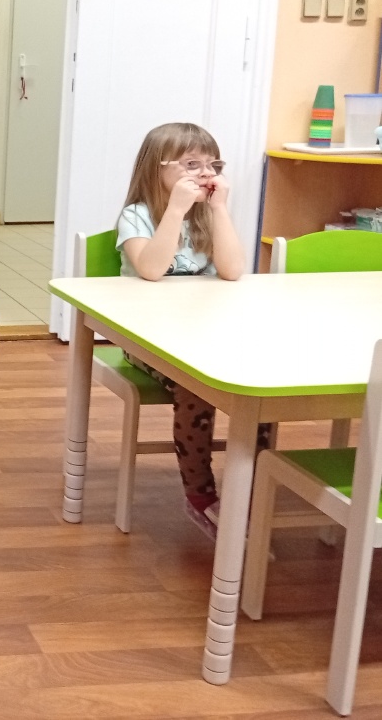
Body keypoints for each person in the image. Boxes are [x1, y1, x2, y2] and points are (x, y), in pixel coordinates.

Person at [116, 121, 268, 539]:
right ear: (157, 169)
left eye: (211, 164)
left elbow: (232, 271)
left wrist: (219, 210)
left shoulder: (207, 216)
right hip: (148, 341)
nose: (205, 173)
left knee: (259, 387)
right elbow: (151, 269)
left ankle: (251, 490)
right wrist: (175, 211)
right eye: (191, 164)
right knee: (195, 390)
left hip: (203, 335)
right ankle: (200, 496)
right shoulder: (137, 216)